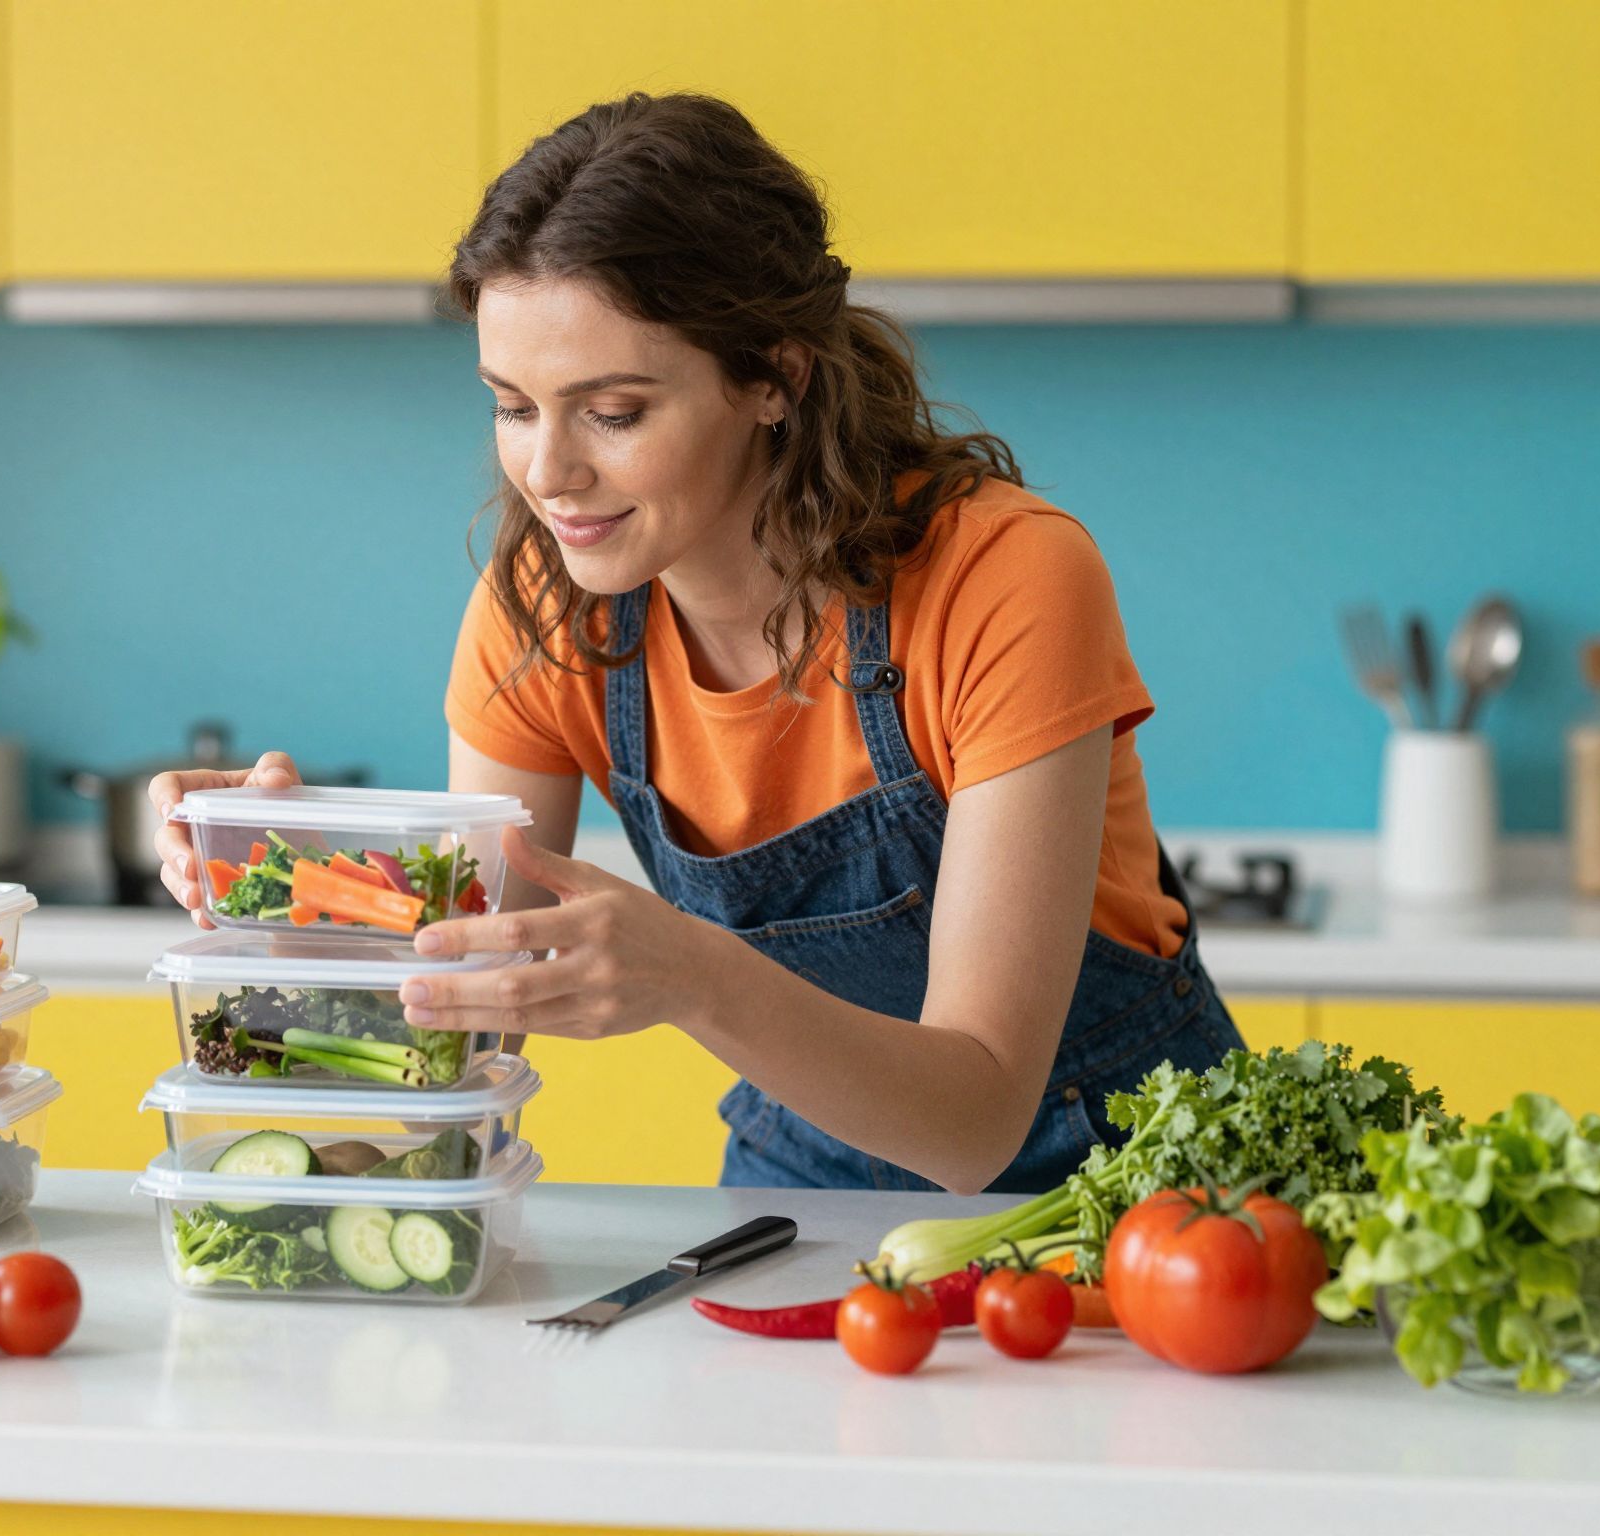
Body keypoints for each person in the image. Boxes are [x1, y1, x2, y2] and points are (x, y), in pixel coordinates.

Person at [150, 93, 1242, 1195]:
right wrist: (296, 903)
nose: (547, 473)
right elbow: (458, 1040)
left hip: (1135, 1186)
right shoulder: (546, 607)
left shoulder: (1001, 579)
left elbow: (975, 1124)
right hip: (802, 1179)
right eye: (512, 407)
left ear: (773, 376)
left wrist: (697, 981)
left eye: (611, 412)